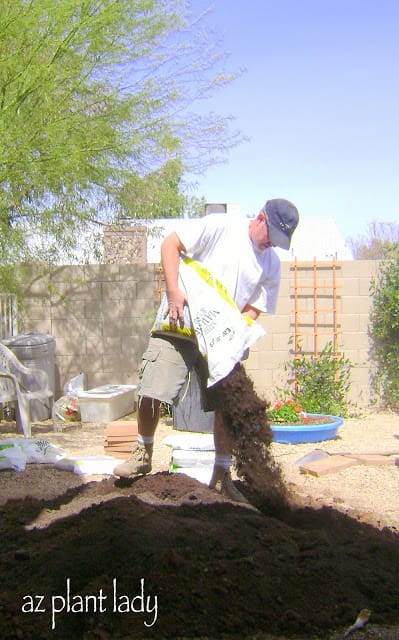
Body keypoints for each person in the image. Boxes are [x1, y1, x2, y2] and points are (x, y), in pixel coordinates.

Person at [114, 198, 299, 502]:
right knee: (152, 386)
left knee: (228, 404)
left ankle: (222, 476)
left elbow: (255, 308)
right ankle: (142, 453)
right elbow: (170, 245)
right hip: (181, 321)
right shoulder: (221, 227)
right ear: (261, 218)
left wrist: (233, 330)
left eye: (280, 242)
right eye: (271, 237)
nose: (272, 245)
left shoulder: (271, 264)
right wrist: (173, 291)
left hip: (219, 338)